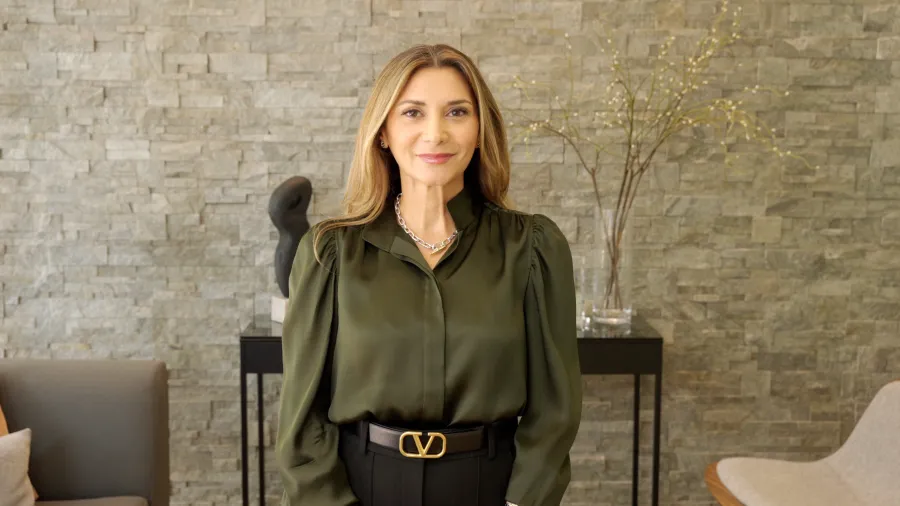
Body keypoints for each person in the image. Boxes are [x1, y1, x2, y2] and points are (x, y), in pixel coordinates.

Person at [275, 43, 583, 506]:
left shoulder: (533, 247)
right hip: (360, 486)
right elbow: (301, 416)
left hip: (489, 488)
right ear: (383, 132)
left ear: (480, 130)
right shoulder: (330, 253)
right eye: (413, 113)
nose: (435, 134)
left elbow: (555, 408)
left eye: (457, 112)